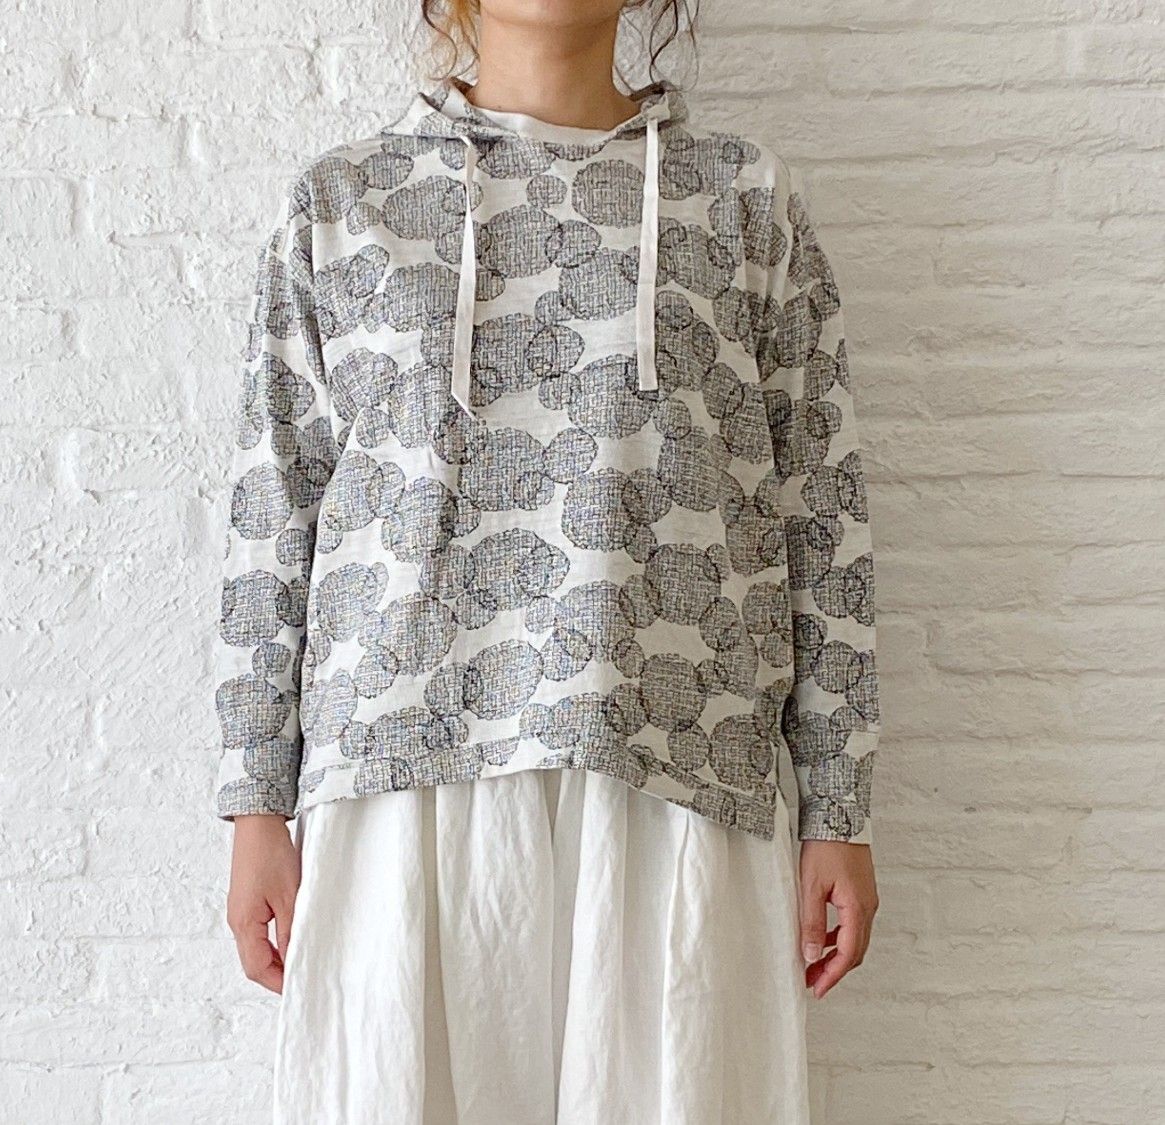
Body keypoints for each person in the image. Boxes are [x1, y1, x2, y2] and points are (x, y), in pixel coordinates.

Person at [214, 0, 881, 1120]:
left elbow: (822, 516)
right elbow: (274, 513)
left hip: (679, 771)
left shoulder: (744, 202)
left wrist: (839, 810)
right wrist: (254, 810)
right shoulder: (342, 203)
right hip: (399, 769)